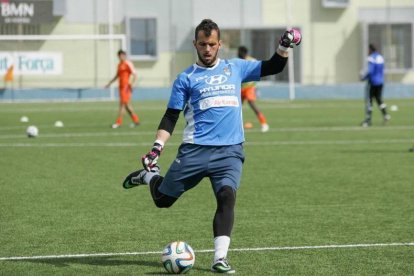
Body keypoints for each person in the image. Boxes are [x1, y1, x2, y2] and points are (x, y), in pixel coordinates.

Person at [122, 19, 301, 273]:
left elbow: (273, 66)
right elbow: (171, 116)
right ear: (195, 44)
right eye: (203, 44)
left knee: (227, 197)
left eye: (212, 44)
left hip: (230, 152)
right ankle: (148, 176)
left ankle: (220, 258)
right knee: (163, 200)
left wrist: (284, 47)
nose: (207, 49)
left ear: (220, 45)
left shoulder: (235, 68)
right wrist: (156, 148)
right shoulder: (186, 78)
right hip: (194, 151)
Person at [237, 46, 269, 132]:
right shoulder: (237, 61)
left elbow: (258, 71)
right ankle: (235, 125)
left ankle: (264, 123)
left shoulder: (252, 61)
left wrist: (254, 84)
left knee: (252, 104)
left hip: (249, 87)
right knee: (236, 107)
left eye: (240, 53)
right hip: (239, 88)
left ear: (244, 53)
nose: (239, 54)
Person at [105, 50, 140, 128]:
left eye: (122, 55)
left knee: (122, 105)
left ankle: (118, 123)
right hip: (121, 87)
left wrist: (133, 84)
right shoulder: (119, 65)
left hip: (126, 87)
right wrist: (109, 83)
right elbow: (117, 76)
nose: (121, 57)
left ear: (124, 55)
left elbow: (135, 75)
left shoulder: (128, 63)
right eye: (119, 55)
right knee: (127, 106)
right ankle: (136, 121)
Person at [360, 44, 390, 127]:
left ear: (370, 49)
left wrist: (363, 77)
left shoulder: (371, 58)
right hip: (380, 81)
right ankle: (386, 115)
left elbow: (370, 71)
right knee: (378, 99)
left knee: (369, 101)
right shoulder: (380, 57)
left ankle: (368, 120)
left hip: (373, 82)